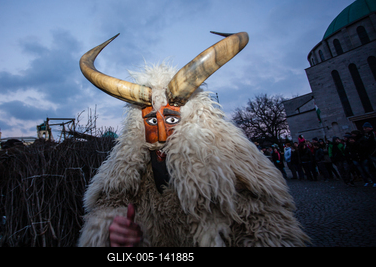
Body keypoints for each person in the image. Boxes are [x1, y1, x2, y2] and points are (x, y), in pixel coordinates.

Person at [77, 32, 308, 246]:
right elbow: (110, 205)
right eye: (152, 121)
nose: (161, 134)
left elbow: (260, 221)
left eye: (171, 120)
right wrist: (114, 229)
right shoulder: (127, 174)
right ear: (137, 126)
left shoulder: (224, 169)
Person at [359, 122, 376, 187]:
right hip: (370, 154)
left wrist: (372, 152)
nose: (364, 129)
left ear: (370, 127)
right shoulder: (367, 135)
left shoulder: (373, 134)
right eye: (364, 128)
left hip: (373, 154)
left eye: (365, 128)